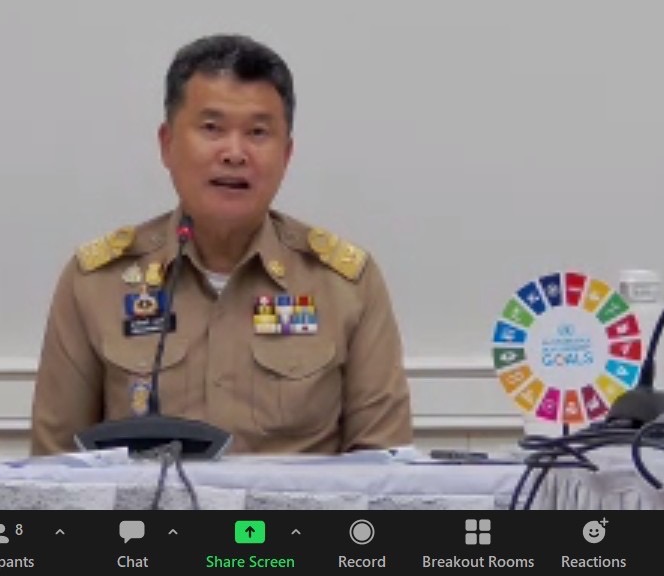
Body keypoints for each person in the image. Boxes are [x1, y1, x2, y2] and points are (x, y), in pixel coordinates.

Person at [29, 34, 414, 455]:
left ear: (286, 155)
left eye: (257, 132)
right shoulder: (96, 283)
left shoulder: (345, 285)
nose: (234, 153)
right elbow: (56, 468)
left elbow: (385, 467)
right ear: (167, 145)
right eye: (212, 129)